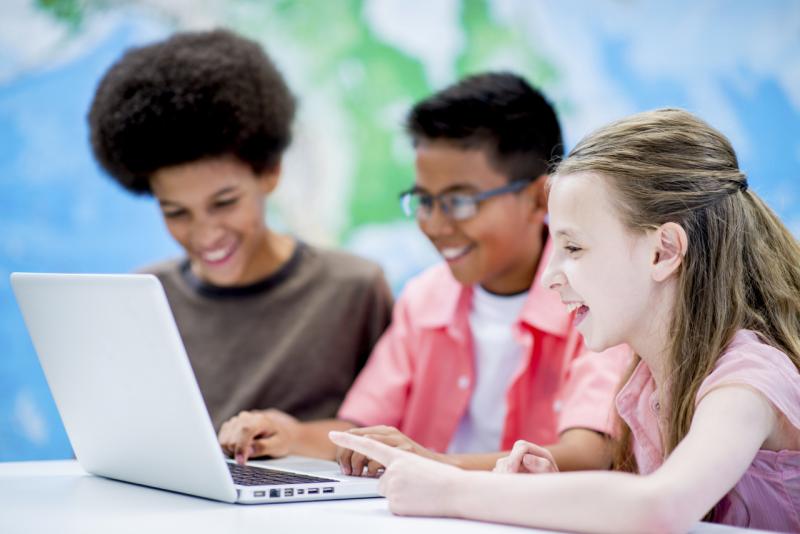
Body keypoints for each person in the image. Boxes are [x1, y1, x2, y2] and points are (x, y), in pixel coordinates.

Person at [331, 108, 800, 532]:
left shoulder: (747, 381)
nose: (552, 276)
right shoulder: (647, 381)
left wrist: (448, 488)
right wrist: (543, 489)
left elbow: (658, 507)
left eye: (573, 248)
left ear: (664, 251)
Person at [221, 72, 630, 472]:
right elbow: (361, 430)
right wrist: (288, 435)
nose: (434, 224)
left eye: (460, 202)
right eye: (424, 200)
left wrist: (440, 466)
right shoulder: (425, 299)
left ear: (542, 199)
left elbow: (589, 453)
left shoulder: (595, 302)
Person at [87, 29, 393, 448]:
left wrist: (293, 437)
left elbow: (393, 434)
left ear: (270, 172)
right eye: (176, 212)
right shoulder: (145, 294)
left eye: (225, 202)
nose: (205, 234)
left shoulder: (353, 289)